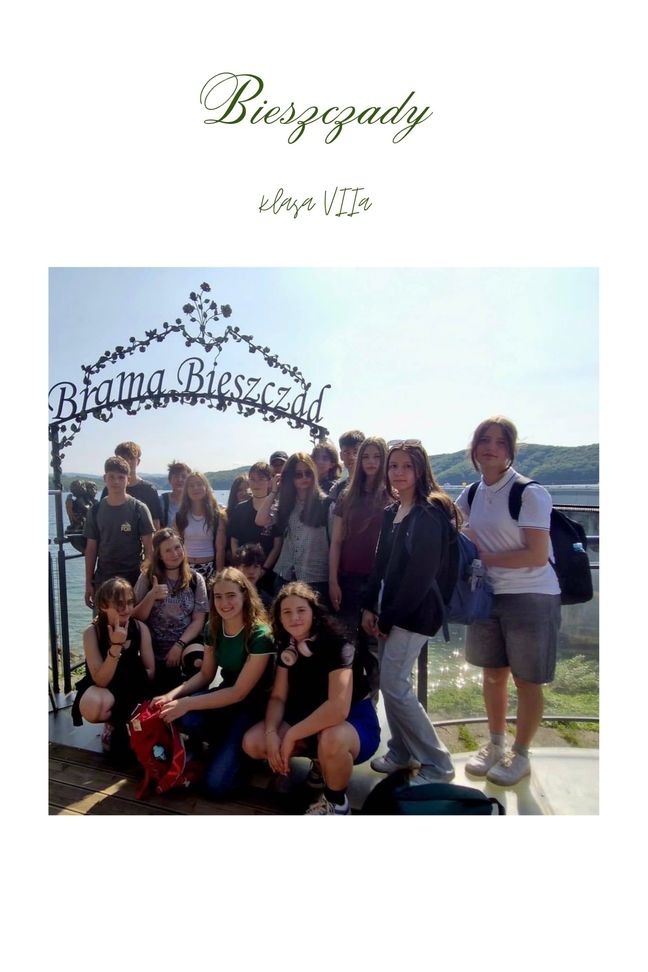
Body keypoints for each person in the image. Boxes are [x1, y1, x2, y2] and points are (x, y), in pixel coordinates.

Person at [455, 416, 562, 786]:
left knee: (527, 680)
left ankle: (521, 753)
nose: (491, 448)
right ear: (474, 447)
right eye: (484, 440)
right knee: (492, 674)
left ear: (510, 450)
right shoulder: (471, 493)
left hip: (531, 594)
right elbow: (454, 526)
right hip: (488, 595)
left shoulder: (529, 493)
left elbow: (536, 555)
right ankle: (496, 743)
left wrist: (481, 557)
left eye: (500, 442)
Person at [361, 439, 457, 784]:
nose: (398, 473)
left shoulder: (429, 513)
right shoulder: (393, 511)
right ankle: (401, 751)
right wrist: (370, 606)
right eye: (393, 466)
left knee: (394, 684)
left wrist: (389, 617)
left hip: (414, 612)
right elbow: (380, 563)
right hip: (388, 607)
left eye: (407, 466)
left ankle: (438, 765)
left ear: (420, 470)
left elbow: (421, 575)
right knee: (394, 683)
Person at [242, 581, 380, 815]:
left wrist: (292, 735)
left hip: (351, 723)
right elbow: (278, 697)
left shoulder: (340, 646)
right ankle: (319, 762)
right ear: (279, 618)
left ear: (314, 613)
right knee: (253, 742)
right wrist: (272, 732)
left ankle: (337, 804)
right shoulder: (288, 646)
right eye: (287, 612)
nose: (294, 618)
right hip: (308, 718)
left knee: (332, 738)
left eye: (301, 610)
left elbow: (337, 709)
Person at [153, 568, 275, 799]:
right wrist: (172, 696)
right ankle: (222, 745)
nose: (224, 603)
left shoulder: (260, 635)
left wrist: (187, 702)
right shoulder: (214, 627)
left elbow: (239, 693)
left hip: (253, 707)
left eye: (231, 596)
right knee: (182, 715)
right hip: (225, 698)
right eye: (218, 597)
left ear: (245, 595)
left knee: (216, 786)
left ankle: (243, 756)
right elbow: (206, 675)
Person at [329, 436, 389, 700]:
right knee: (348, 646)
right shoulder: (348, 495)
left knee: (374, 649)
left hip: (378, 582)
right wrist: (333, 580)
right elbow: (336, 542)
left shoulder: (391, 495)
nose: (371, 462)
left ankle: (371, 704)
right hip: (348, 579)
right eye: (366, 457)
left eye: (377, 456)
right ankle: (348, 704)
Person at [71, 576, 155, 753]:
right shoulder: (92, 632)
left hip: (132, 686)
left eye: (130, 602)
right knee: (93, 705)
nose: (126, 609)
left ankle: (123, 723)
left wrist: (130, 681)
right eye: (119, 604)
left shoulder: (140, 628)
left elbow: (150, 671)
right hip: (106, 686)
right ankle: (114, 723)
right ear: (103, 606)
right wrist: (116, 646)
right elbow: (100, 680)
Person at [133, 528, 209, 694]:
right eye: (168, 550)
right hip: (153, 648)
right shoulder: (147, 578)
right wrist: (151, 596)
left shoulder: (196, 579)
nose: (175, 554)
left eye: (177, 547)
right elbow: (135, 618)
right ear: (159, 555)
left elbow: (198, 620)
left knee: (198, 661)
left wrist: (179, 645)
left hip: (184, 644)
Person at [255, 452, 332, 603]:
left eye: (308, 473)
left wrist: (334, 580)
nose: (304, 478)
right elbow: (260, 520)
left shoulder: (326, 504)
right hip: (285, 576)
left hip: (316, 578)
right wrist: (274, 491)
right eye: (298, 474)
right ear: (290, 477)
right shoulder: (286, 504)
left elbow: (335, 545)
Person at [84, 456, 154, 608]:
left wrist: (148, 581)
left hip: (133, 579)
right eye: (111, 477)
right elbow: (91, 549)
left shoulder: (139, 509)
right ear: (105, 478)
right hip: (103, 580)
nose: (116, 481)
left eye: (121, 477)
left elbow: (150, 549)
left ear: (128, 480)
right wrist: (88, 582)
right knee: (103, 622)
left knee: (133, 621)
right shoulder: (95, 510)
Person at [227, 461, 283, 592]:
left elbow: (277, 546)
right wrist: (239, 565)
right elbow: (234, 540)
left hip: (267, 573)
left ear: (270, 482)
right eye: (252, 479)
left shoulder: (277, 510)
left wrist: (263, 570)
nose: (256, 483)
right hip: (242, 572)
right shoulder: (240, 509)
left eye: (261, 479)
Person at [174, 470, 227, 580]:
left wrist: (219, 575)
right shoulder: (180, 517)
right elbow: (176, 546)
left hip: (209, 568)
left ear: (206, 488)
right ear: (186, 490)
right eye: (191, 486)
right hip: (185, 569)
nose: (195, 488)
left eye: (199, 484)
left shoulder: (217, 516)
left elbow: (220, 548)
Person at [99, 441, 162, 529]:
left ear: (138, 461)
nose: (128, 461)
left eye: (131, 458)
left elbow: (155, 523)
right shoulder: (109, 489)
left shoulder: (149, 490)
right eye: (124, 458)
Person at [232, 543, 273, 610]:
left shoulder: (266, 601)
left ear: (260, 570)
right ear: (236, 568)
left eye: (256, 567)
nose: (251, 571)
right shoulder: (228, 595)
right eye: (246, 566)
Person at [329, 430, 365, 502]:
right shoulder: (337, 489)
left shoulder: (371, 484)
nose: (351, 457)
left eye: (355, 452)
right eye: (346, 452)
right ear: (341, 456)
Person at [160, 461, 191, 528]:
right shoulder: (161, 501)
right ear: (170, 480)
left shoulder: (195, 501)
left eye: (183, 477)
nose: (179, 479)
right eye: (176, 476)